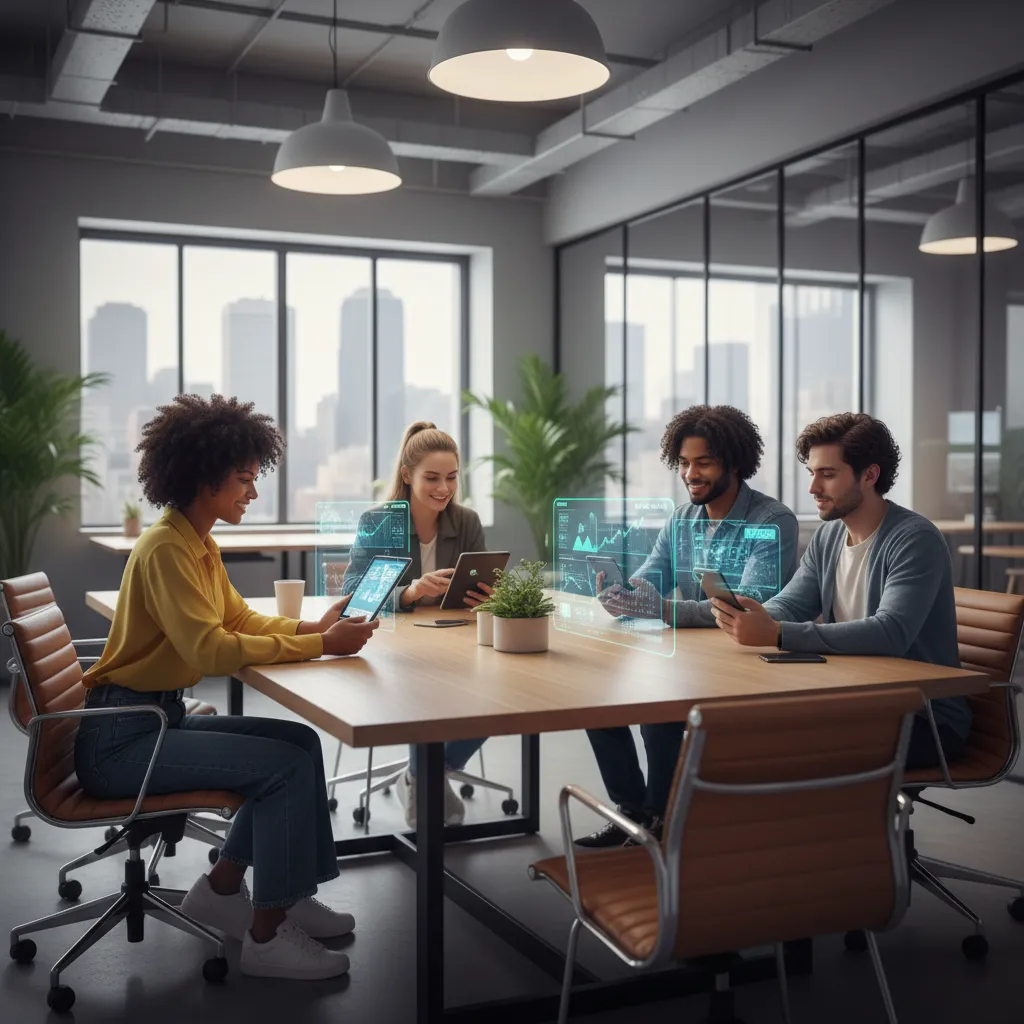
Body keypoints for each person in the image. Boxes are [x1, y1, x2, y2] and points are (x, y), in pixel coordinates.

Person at [75, 394, 380, 982]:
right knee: (283, 768)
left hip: (152, 721)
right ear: (202, 478)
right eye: (244, 480)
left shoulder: (195, 541)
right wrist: (320, 645)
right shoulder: (167, 548)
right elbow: (210, 651)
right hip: (122, 742)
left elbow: (237, 622)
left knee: (299, 745)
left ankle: (235, 892)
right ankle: (266, 937)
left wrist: (310, 629)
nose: (253, 493)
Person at [578, 405, 799, 848]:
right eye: (683, 463)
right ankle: (633, 813)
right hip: (695, 657)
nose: (690, 473)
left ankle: (660, 822)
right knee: (598, 698)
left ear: (734, 462)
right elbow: (651, 576)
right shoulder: (682, 520)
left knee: (658, 713)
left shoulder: (772, 522)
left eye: (703, 462)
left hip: (745, 661)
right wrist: (625, 594)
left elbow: (746, 607)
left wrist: (661, 610)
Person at [710, 412, 972, 769]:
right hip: (859, 699)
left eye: (827, 474)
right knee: (740, 727)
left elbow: (890, 632)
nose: (813, 488)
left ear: (869, 475)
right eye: (812, 473)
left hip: (924, 717)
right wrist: (752, 612)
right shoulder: (830, 535)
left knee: (778, 744)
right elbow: (794, 602)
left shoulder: (914, 539)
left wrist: (777, 633)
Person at [342, 422, 491, 828]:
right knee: (420, 686)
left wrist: (489, 596)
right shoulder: (379, 520)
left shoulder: (467, 522)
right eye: (432, 478)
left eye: (451, 477)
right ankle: (427, 774)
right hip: (394, 649)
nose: (443, 488)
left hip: (456, 642)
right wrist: (408, 593)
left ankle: (425, 772)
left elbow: (483, 583)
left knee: (500, 697)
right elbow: (355, 593)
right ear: (407, 475)